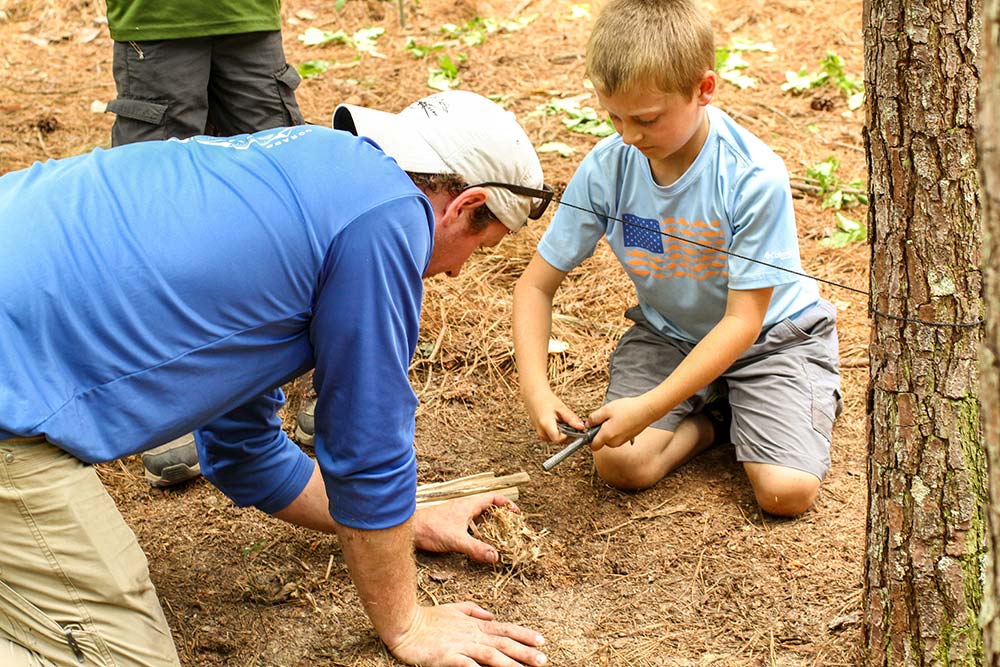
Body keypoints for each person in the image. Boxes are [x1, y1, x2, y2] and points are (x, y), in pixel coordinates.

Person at [0, 90, 552, 667]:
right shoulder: (384, 218)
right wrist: (408, 624)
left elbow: (243, 451)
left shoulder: (299, 171)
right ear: (466, 205)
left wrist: (406, 522)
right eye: (477, 248)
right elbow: (367, 445)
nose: (457, 269)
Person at [512, 0, 841, 518]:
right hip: (671, 335)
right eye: (613, 116)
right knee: (621, 465)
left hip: (771, 338)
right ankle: (718, 419)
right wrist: (536, 386)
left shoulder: (752, 176)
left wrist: (649, 406)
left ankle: (748, 400)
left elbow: (743, 321)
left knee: (785, 492)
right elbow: (535, 285)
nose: (628, 136)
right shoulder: (608, 166)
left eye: (646, 119)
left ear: (704, 89)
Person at [103, 0, 309, 486]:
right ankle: (157, 397)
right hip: (157, 19)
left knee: (284, 194)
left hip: (246, 13)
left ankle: (319, 374)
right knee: (153, 206)